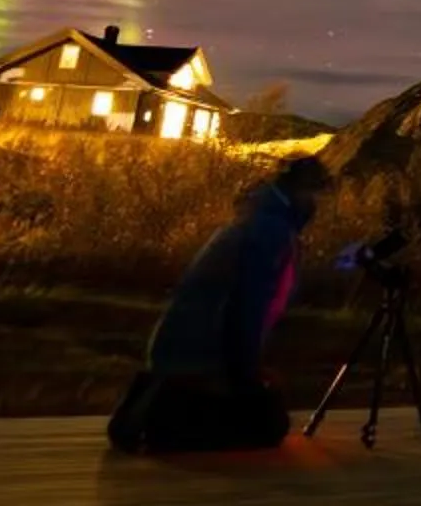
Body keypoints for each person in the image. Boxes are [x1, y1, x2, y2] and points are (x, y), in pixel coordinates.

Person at [108, 154, 329, 454]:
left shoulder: (257, 220)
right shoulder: (269, 232)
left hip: (184, 350)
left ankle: (153, 409)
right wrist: (246, 374)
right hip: (199, 355)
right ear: (302, 192)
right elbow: (247, 308)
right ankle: (164, 418)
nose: (317, 205)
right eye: (315, 194)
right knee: (268, 425)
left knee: (264, 410)